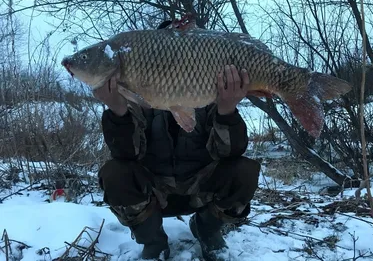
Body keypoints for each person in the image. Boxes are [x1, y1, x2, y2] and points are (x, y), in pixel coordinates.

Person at [94, 21, 261, 261]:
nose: (174, 61)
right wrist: (117, 112)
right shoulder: (134, 94)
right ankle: (153, 241)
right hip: (156, 192)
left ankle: (207, 230)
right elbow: (126, 155)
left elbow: (231, 152)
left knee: (243, 170)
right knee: (115, 172)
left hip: (201, 190)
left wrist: (228, 110)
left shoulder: (209, 89)